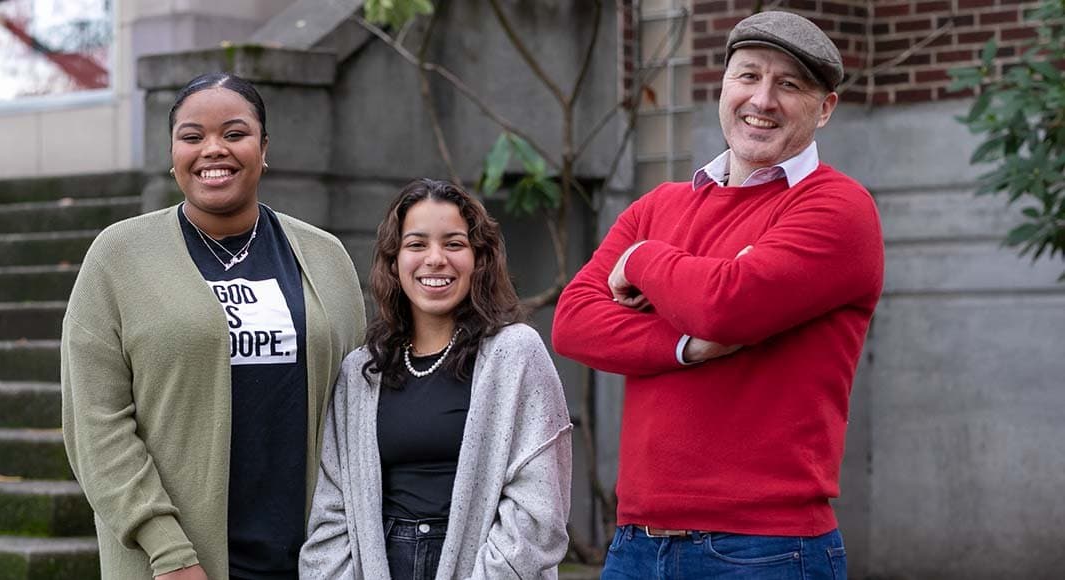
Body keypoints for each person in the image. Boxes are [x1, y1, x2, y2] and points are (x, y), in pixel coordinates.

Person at [552, 11, 884, 579]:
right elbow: (575, 322)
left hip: (765, 550)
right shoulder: (658, 205)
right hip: (636, 545)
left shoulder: (837, 209)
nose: (763, 99)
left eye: (790, 84)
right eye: (748, 76)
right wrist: (687, 343)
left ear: (824, 107)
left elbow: (724, 305)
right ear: (723, 86)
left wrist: (641, 260)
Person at [61, 72, 366, 580]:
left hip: (312, 558)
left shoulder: (325, 256)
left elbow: (355, 407)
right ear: (172, 151)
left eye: (234, 133)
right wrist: (166, 548)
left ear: (264, 147)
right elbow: (95, 421)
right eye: (192, 136)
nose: (213, 150)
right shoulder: (119, 256)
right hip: (175, 563)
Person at [299, 178, 573, 579]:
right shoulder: (361, 372)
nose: (435, 259)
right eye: (416, 244)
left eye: (454, 244)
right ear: (394, 262)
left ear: (479, 259)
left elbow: (537, 511)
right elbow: (331, 511)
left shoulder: (515, 354)